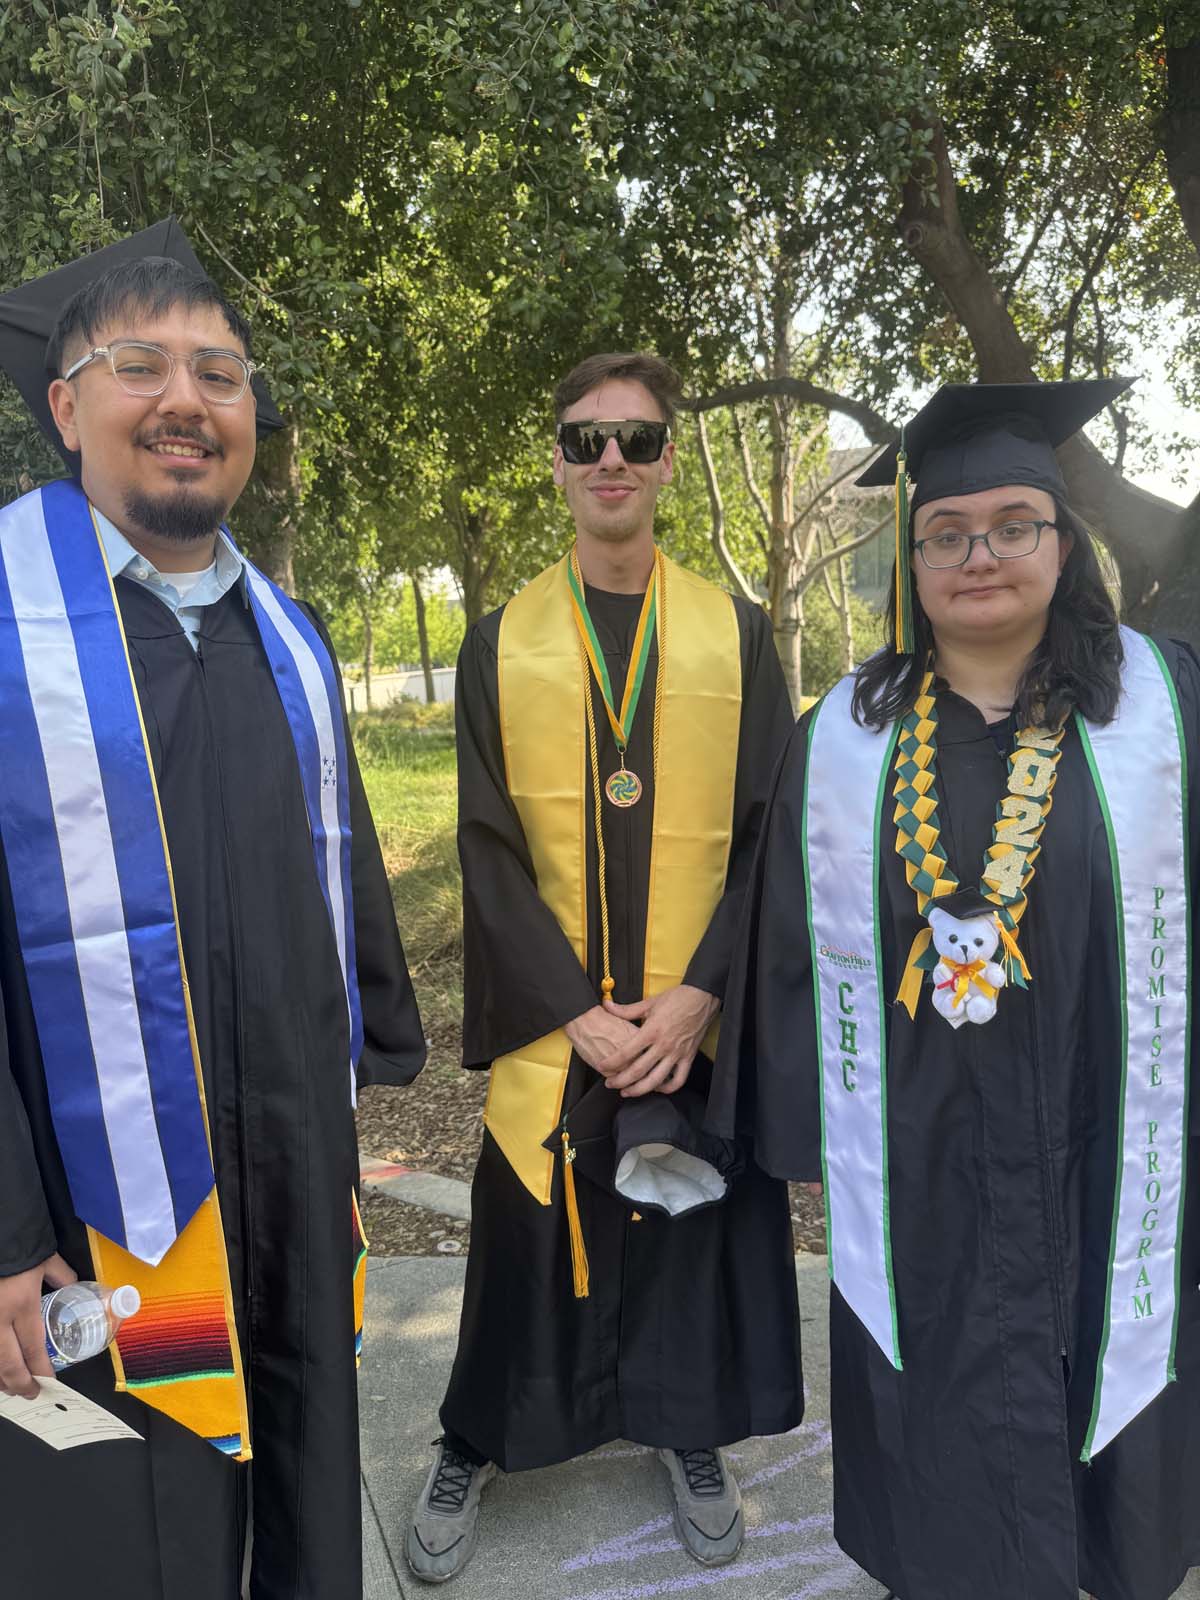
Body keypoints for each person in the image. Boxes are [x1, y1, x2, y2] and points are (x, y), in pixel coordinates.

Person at [711, 377, 1200, 1600]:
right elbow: (782, 953)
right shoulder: (844, 739)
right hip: (921, 1169)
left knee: (1112, 1405)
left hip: (1108, 1148)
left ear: (1064, 540)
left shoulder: (1166, 704)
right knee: (940, 1453)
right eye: (945, 533)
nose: (978, 554)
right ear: (910, 559)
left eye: (1014, 523)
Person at [0, 222, 426, 1600]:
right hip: (86, 1208)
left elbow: (338, 871)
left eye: (222, 371)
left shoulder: (285, 637)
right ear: (66, 409)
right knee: (124, 1531)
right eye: (140, 364)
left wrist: (356, 1082)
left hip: (291, 1177)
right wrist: (3, 1239)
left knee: (300, 1490)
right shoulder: (9, 629)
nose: (188, 398)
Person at [404, 352, 802, 1583]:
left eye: (634, 438)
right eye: (586, 441)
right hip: (559, 1022)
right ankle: (479, 1431)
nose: (611, 461)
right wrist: (579, 1013)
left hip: (693, 1013)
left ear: (669, 457)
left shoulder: (736, 636)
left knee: (689, 1219)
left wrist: (700, 992)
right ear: (561, 464)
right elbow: (481, 842)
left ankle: (686, 1430)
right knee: (526, 1227)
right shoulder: (498, 642)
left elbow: (769, 830)